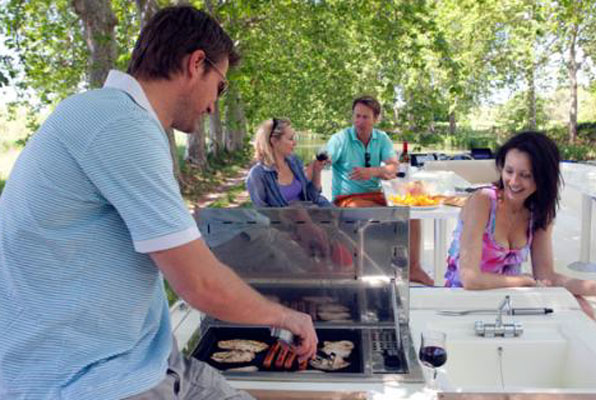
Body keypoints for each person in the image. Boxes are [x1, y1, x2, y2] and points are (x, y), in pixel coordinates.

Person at [0, 6, 317, 400]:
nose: (214, 106)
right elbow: (199, 284)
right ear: (196, 64)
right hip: (89, 379)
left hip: (145, 357)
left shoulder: (112, 115)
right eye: (220, 87)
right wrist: (285, 316)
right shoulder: (119, 125)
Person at [445, 131, 596, 319]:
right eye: (509, 171)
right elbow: (470, 279)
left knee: (583, 309)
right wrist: (523, 281)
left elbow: (546, 276)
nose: (514, 182)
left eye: (525, 175)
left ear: (543, 177)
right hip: (464, 302)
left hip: (508, 300)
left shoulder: (540, 212)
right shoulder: (483, 201)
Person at [326, 95, 433, 285]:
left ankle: (414, 268)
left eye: (365, 117)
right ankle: (371, 271)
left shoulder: (381, 138)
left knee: (412, 212)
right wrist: (322, 161)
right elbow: (325, 157)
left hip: (376, 195)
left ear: (375, 119)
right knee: (371, 212)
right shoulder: (340, 139)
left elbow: (394, 167)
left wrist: (373, 171)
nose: (359, 121)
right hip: (347, 197)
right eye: (357, 116)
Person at [246, 118, 331, 208]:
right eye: (291, 139)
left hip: (308, 218)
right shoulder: (257, 175)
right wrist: (292, 212)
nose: (295, 143)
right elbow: (262, 213)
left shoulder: (294, 161)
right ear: (274, 141)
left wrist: (317, 171)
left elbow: (312, 195)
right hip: (285, 221)